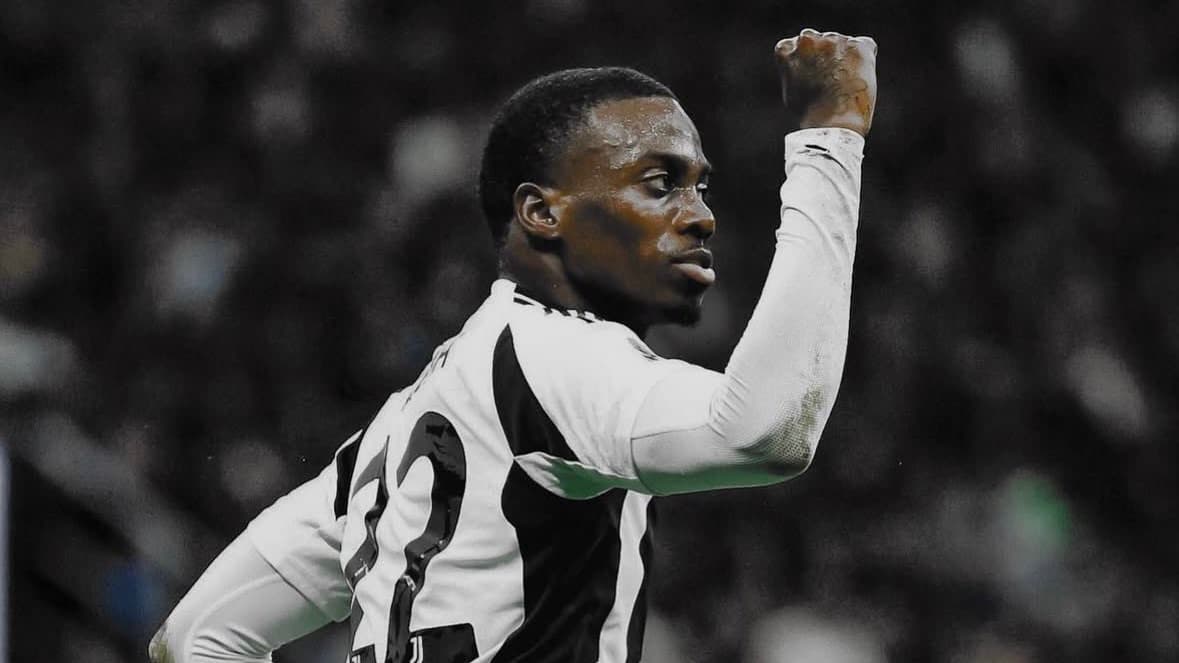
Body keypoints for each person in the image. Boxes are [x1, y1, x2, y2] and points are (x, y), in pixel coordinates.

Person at [149, 28, 878, 663]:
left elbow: (197, 637)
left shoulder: (395, 435)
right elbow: (765, 431)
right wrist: (828, 139)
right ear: (540, 211)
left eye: (699, 187)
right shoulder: (552, 355)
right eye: (659, 183)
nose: (698, 215)